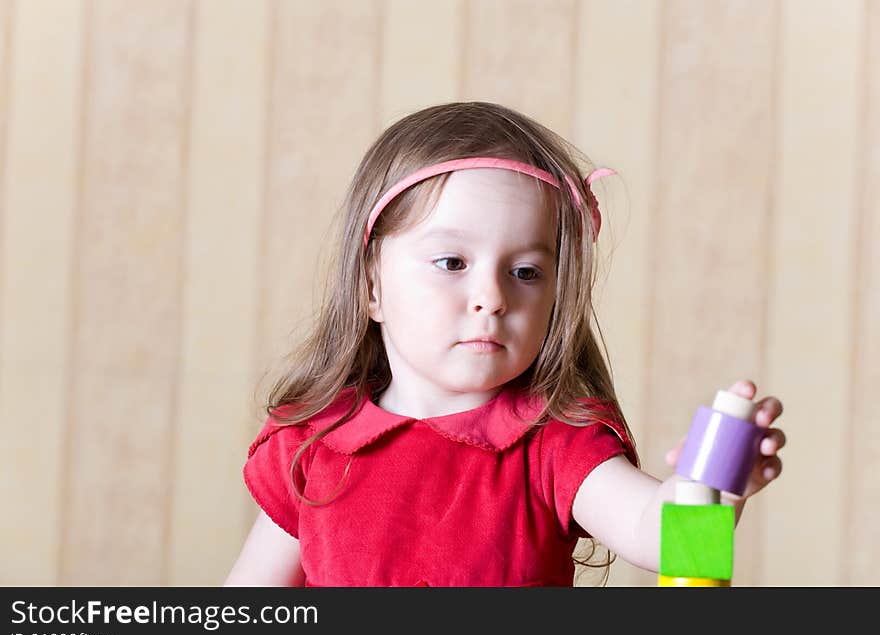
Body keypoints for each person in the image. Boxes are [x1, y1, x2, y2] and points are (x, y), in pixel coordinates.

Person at [224, 101, 786, 587]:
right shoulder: (312, 446)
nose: (491, 297)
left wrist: (714, 488)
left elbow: (671, 546)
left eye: (524, 272)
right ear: (371, 286)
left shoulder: (554, 445)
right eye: (452, 263)